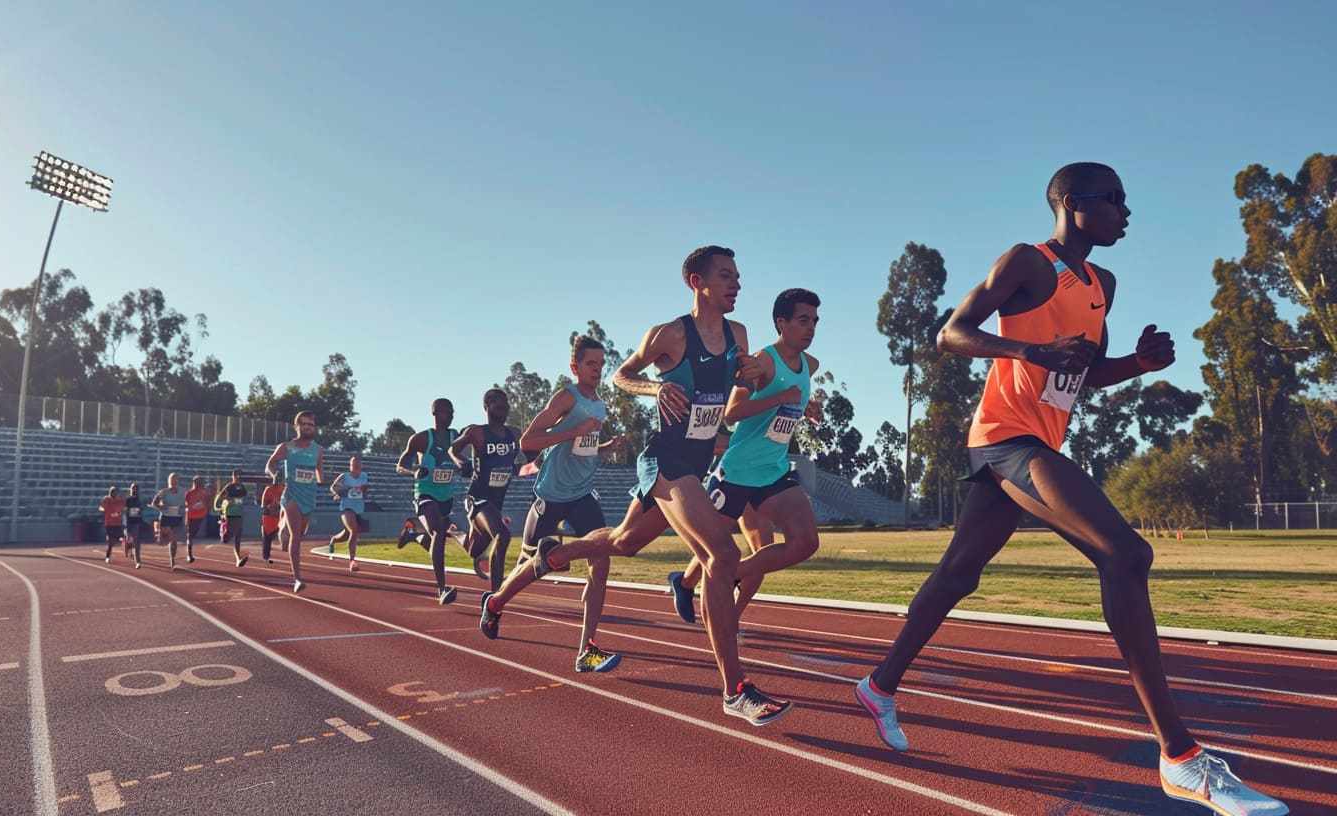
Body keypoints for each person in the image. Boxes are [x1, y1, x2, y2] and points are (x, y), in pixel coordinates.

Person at [851, 163, 1287, 816]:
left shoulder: (1101, 283)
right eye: (1113, 199)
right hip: (1005, 438)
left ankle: (879, 685)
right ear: (1068, 203)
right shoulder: (1028, 262)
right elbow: (951, 334)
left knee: (957, 575)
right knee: (1127, 554)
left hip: (1040, 441)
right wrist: (1027, 353)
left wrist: (1137, 365)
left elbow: (1083, 377)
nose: (1125, 210)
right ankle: (1182, 759)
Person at [480, 246, 791, 725]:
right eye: (726, 275)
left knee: (623, 543)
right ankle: (735, 689)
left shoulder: (739, 334)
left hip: (695, 460)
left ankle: (545, 562)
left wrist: (749, 376)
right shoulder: (669, 334)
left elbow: (737, 386)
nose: (737, 284)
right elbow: (625, 375)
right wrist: (656, 387)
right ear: (696, 281)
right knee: (722, 556)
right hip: (666, 461)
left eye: (739, 276)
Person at [667, 288, 824, 637]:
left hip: (772, 472)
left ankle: (724, 578)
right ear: (781, 323)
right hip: (737, 472)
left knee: (805, 543)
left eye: (814, 321)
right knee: (715, 544)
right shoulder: (763, 361)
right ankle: (696, 586)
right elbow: (733, 411)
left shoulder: (810, 366)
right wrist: (781, 397)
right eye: (803, 320)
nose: (811, 328)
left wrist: (806, 407)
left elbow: (793, 401)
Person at [515, 335, 626, 672]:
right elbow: (529, 442)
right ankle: (496, 602)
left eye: (601, 364)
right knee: (530, 564)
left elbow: (584, 446)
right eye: (591, 364)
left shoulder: (601, 405)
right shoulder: (566, 397)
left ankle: (586, 649)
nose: (598, 370)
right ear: (575, 367)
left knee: (601, 562)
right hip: (551, 495)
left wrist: (606, 446)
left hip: (582, 495)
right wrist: (572, 429)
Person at [449, 389, 523, 591]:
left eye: (506, 406)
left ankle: (454, 532)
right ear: (487, 407)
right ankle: (496, 596)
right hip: (478, 498)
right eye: (499, 405)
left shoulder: (514, 433)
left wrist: (523, 466)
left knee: (473, 551)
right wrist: (461, 461)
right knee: (503, 536)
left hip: (497, 501)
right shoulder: (476, 432)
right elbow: (452, 449)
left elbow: (526, 456)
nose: (504, 409)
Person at [396, 398, 461, 604]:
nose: (449, 416)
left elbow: (461, 461)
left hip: (446, 496)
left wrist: (465, 467)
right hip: (425, 494)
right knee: (438, 533)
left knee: (438, 540)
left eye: (452, 412)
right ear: (434, 412)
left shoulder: (456, 437)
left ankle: (413, 535)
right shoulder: (421, 439)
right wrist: (414, 470)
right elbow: (400, 465)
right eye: (445, 412)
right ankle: (442, 589)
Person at [265, 411, 324, 593]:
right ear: (297, 426)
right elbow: (270, 464)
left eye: (311, 424)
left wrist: (325, 483)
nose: (307, 427)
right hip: (291, 495)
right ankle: (297, 578)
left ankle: (283, 524)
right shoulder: (286, 447)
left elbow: (319, 474)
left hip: (309, 496)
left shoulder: (318, 450)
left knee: (301, 532)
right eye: (304, 424)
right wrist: (275, 475)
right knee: (296, 537)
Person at [328, 456, 370, 572]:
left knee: (346, 534)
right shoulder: (344, 476)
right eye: (353, 465)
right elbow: (332, 487)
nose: (355, 467)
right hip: (346, 508)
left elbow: (365, 494)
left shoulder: (364, 476)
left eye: (358, 465)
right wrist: (338, 493)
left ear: (361, 466)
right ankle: (352, 561)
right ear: (350, 466)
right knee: (354, 530)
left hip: (359, 508)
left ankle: (333, 540)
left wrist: (363, 491)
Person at [150, 473, 187, 570]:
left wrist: (183, 507)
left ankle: (172, 560)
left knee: (174, 539)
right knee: (167, 540)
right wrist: (161, 507)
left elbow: (187, 503)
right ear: (169, 481)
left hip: (177, 517)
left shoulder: (183, 492)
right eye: (172, 480)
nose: (174, 482)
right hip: (166, 517)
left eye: (175, 480)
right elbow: (154, 503)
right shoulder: (163, 492)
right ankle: (172, 558)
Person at [214, 470, 250, 568]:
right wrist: (221, 506)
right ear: (233, 476)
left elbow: (244, 497)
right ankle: (224, 536)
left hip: (239, 513)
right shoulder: (229, 487)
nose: (239, 477)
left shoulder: (242, 488)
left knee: (238, 536)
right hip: (229, 513)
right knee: (229, 536)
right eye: (237, 475)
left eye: (240, 475)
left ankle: (238, 559)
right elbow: (218, 499)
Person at [183, 476, 211, 564]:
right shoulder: (189, 493)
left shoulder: (204, 493)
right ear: (193, 482)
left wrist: (205, 509)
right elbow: (186, 505)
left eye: (199, 482)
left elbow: (208, 502)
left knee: (194, 533)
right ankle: (189, 554)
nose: (198, 484)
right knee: (190, 535)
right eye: (196, 482)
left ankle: (189, 550)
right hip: (191, 516)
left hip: (200, 516)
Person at [260, 472, 285, 564]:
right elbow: (263, 505)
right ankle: (266, 556)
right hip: (269, 517)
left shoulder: (285, 490)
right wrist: (270, 507)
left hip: (281, 516)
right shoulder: (269, 489)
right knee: (267, 537)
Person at [99, 486, 128, 565]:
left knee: (120, 538)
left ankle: (126, 546)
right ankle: (107, 557)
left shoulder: (120, 501)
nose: (113, 494)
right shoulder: (106, 500)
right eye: (112, 492)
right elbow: (101, 508)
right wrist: (104, 510)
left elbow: (125, 508)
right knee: (111, 542)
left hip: (118, 523)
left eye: (115, 492)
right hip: (109, 524)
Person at [123, 482, 145, 564]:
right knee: (129, 539)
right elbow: (124, 510)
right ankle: (128, 549)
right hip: (128, 521)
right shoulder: (127, 499)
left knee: (136, 541)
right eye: (132, 488)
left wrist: (140, 510)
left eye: (135, 488)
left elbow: (141, 509)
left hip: (137, 522)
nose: (133, 489)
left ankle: (137, 559)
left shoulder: (139, 500)